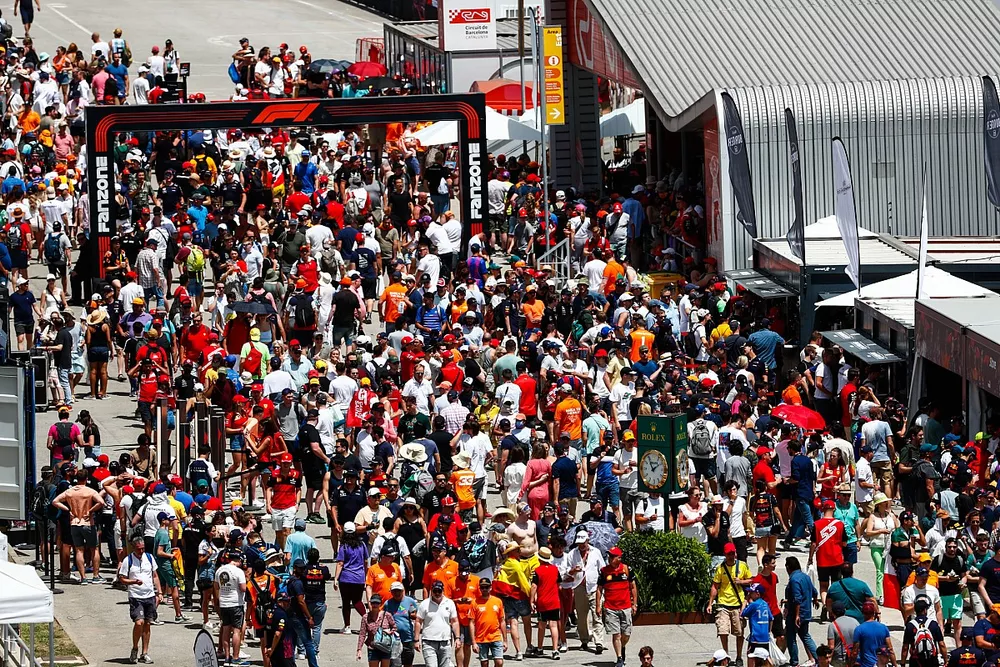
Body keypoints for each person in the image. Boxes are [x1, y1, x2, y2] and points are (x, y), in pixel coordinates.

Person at [117, 536, 164, 664]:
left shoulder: (149, 558)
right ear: (133, 548)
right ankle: (135, 648)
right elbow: (121, 578)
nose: (141, 551)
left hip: (149, 595)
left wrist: (159, 592)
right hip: (136, 596)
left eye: (143, 548)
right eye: (139, 549)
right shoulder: (128, 560)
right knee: (139, 623)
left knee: (147, 623)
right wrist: (133, 582)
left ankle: (145, 653)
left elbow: (155, 576)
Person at [706, 542, 753, 666]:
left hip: (738, 604)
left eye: (733, 553)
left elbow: (752, 580)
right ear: (725, 555)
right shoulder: (720, 568)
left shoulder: (742, 566)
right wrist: (710, 603)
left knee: (739, 632)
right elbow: (715, 586)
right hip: (723, 603)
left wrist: (741, 581)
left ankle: (738, 656)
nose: (731, 556)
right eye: (729, 554)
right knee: (722, 631)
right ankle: (725, 656)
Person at [595, 546, 637, 667]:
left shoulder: (626, 569)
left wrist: (635, 603)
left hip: (626, 607)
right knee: (616, 634)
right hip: (610, 607)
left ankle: (622, 646)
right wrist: (598, 606)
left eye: (613, 556)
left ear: (619, 558)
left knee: (626, 634)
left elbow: (633, 587)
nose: (610, 558)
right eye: (609, 556)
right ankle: (619, 658)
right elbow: (599, 589)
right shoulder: (604, 571)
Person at [415, 578, 461, 667]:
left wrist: (457, 638)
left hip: (445, 641)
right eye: (435, 591)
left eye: (439, 591)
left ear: (443, 591)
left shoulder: (450, 603)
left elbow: (454, 621)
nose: (437, 593)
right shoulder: (424, 604)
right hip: (428, 641)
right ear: (431, 591)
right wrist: (416, 640)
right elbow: (418, 621)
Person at [784, 556, 819, 667]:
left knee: (791, 637)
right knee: (805, 636)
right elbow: (814, 591)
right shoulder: (805, 576)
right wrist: (815, 600)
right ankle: (819, 658)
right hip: (807, 612)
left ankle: (794, 661)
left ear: (788, 567)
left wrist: (797, 615)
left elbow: (797, 598)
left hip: (796, 613)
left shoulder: (794, 580)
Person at [900, 595, 946, 667]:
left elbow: (905, 647)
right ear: (925, 610)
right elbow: (941, 644)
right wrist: (946, 660)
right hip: (932, 660)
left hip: (916, 661)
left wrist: (903, 663)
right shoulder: (933, 624)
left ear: (915, 610)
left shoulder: (910, 626)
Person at [470, 578, 507, 667]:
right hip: (481, 638)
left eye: (486, 587)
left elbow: (502, 621)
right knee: (484, 663)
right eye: (482, 587)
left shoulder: (498, 601)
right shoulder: (474, 602)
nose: (484, 589)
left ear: (490, 587)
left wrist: (505, 640)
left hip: (496, 636)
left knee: (499, 662)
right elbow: (471, 622)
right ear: (480, 588)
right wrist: (473, 642)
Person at [357, 594, 397, 667]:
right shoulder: (365, 617)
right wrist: (359, 649)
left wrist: (390, 632)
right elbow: (362, 634)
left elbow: (394, 627)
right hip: (372, 648)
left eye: (377, 603)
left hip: (385, 646)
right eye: (373, 603)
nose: (375, 605)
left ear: (380, 604)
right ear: (370, 603)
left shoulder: (387, 615)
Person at [852, 601, 893, 667]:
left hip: (866, 665)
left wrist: (850, 664)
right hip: (881, 664)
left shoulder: (859, 629)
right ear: (874, 613)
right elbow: (890, 649)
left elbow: (854, 652)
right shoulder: (883, 627)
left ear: (862, 613)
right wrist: (895, 664)